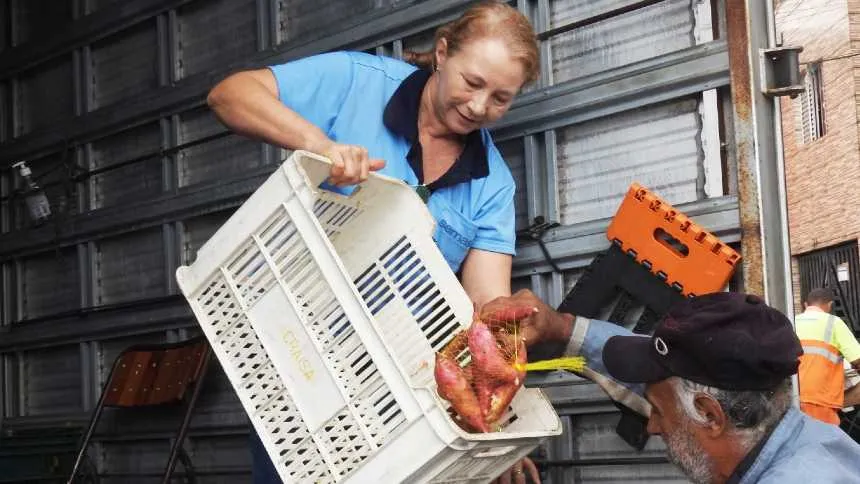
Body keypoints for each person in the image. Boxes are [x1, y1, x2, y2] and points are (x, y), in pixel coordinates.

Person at [206, 1, 540, 482]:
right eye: (472, 83)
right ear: (443, 53)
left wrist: (491, 424)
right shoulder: (356, 82)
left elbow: (485, 307)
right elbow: (229, 95)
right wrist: (321, 147)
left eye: (501, 98)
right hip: (294, 339)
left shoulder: (493, 185)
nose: (478, 107)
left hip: (390, 374)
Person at [480, 289, 860, 483]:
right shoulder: (807, 438)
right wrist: (560, 327)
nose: (651, 426)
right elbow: (660, 383)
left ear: (711, 415)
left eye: (658, 413)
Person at [794, 288, 860, 425]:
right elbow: (857, 359)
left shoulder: (792, 321)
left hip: (792, 396)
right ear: (829, 305)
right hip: (819, 398)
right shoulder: (833, 322)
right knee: (820, 441)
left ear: (806, 305)